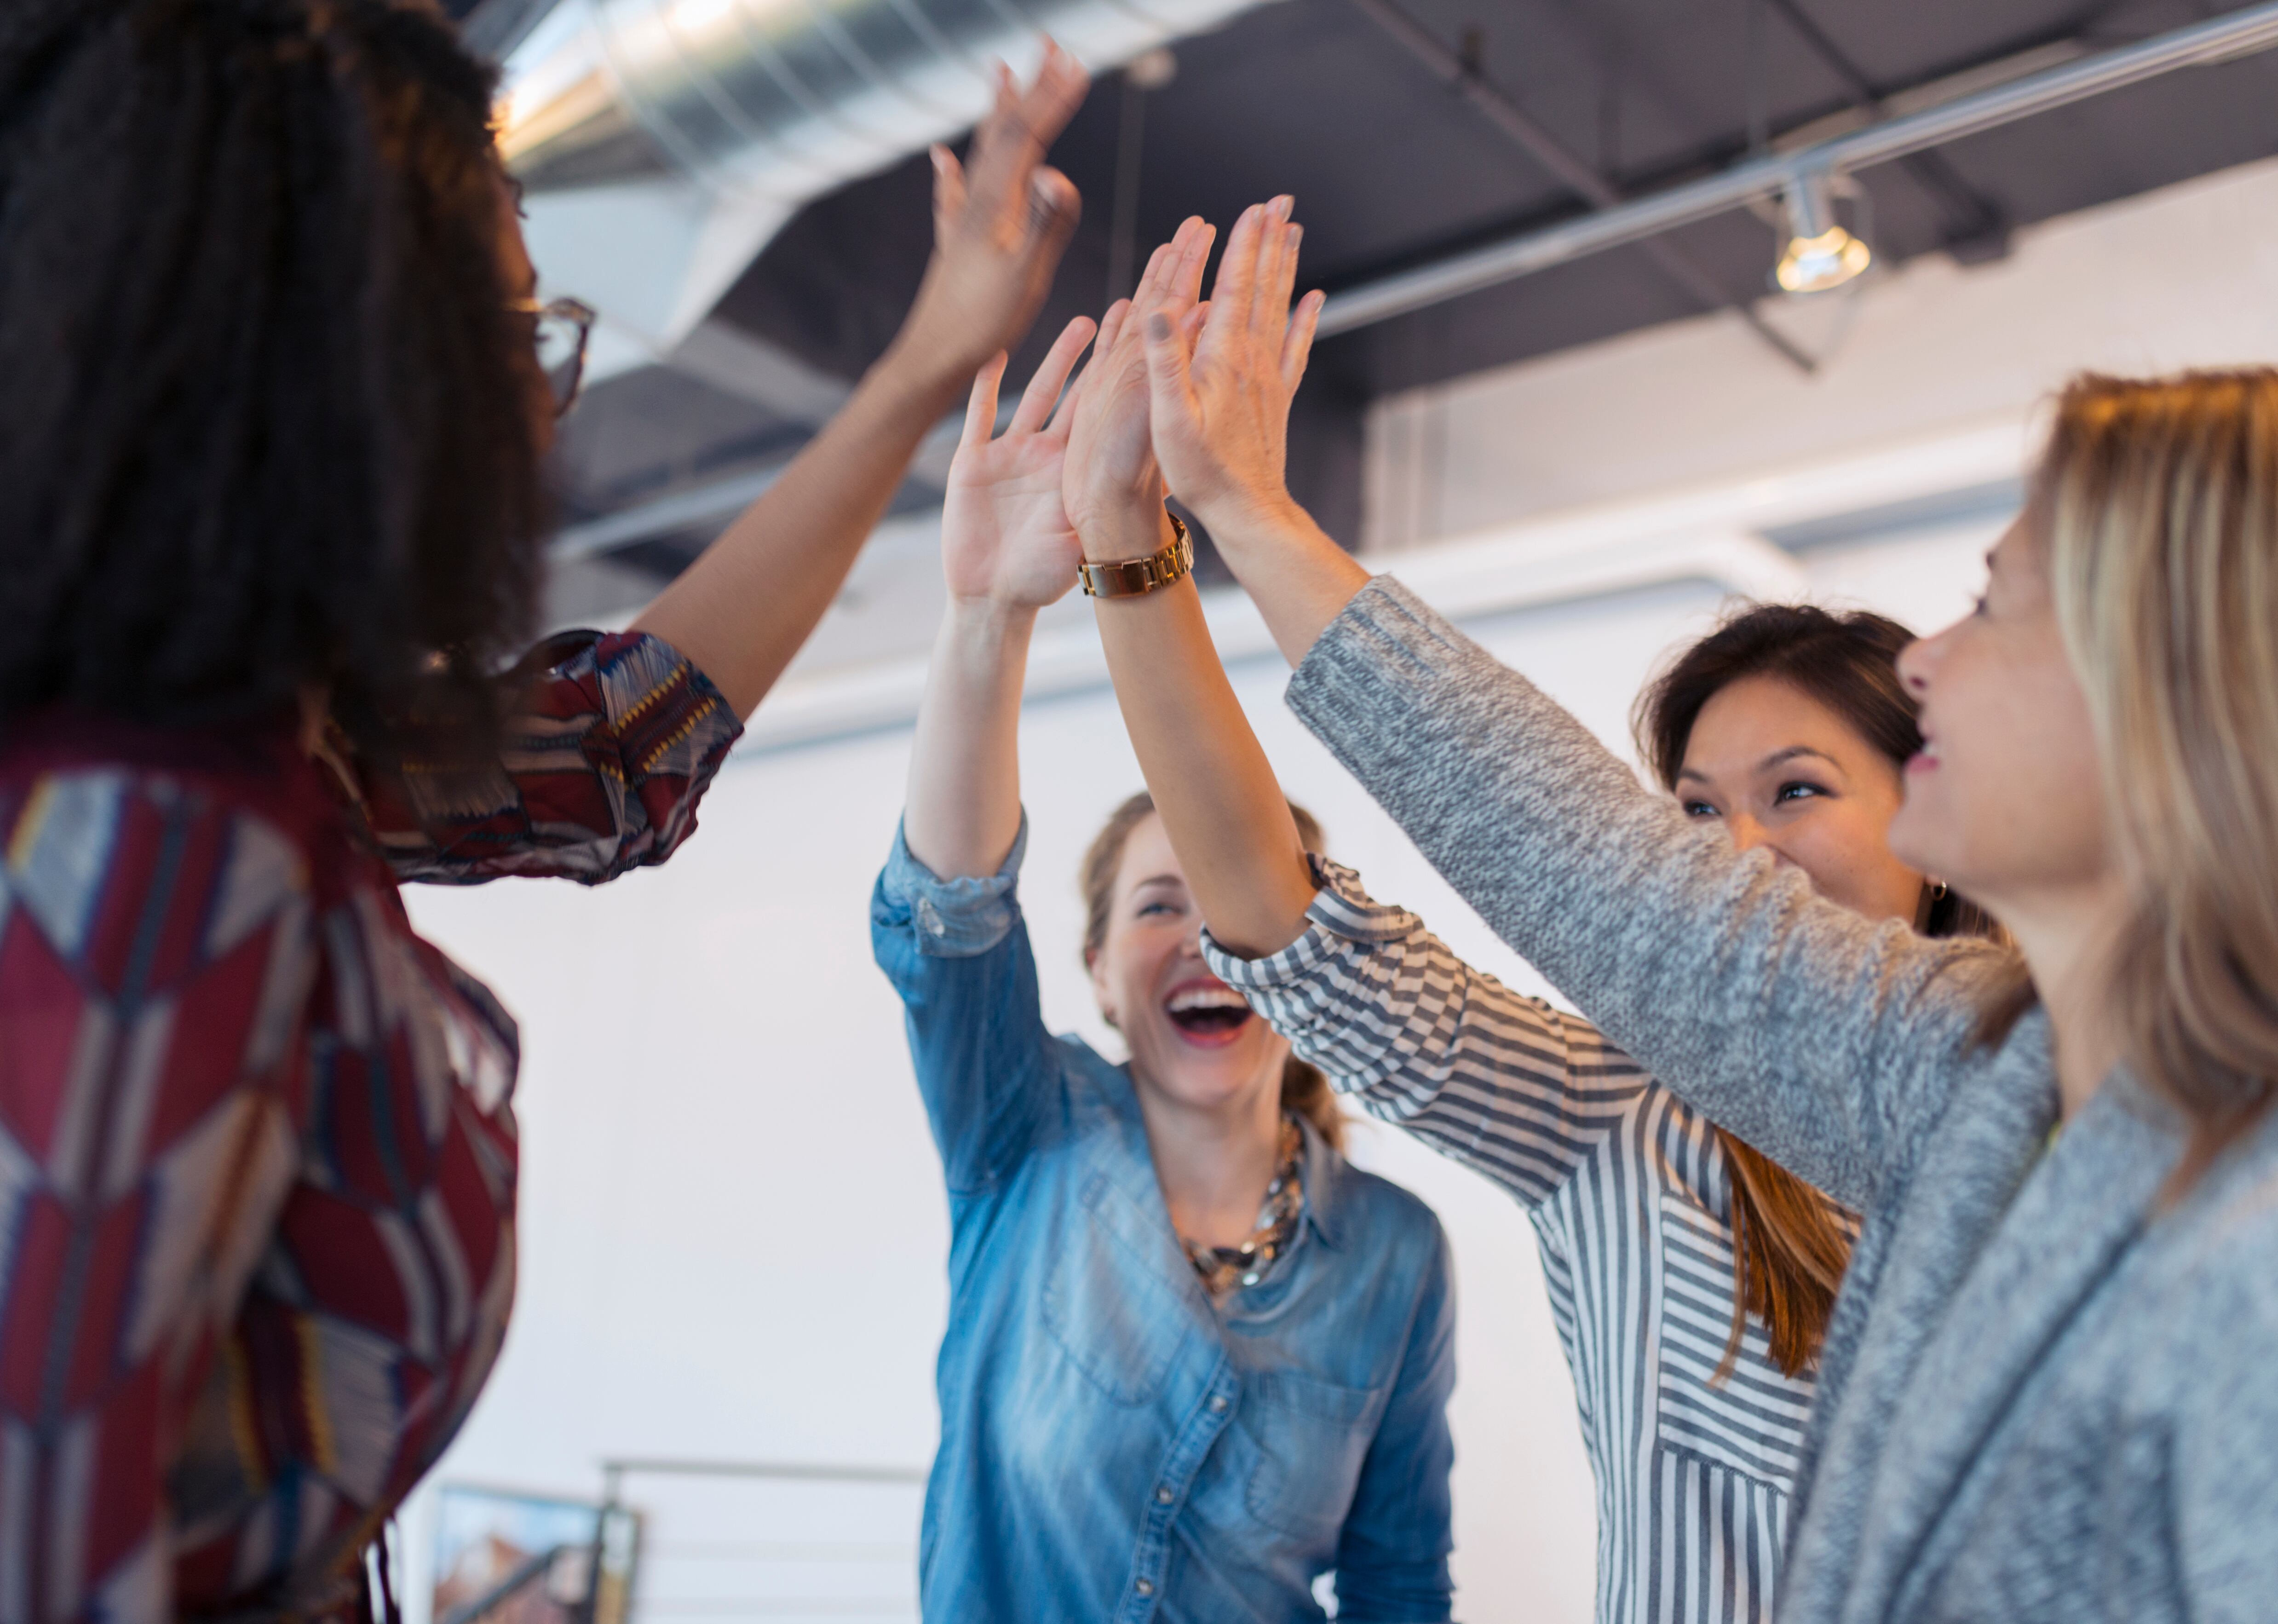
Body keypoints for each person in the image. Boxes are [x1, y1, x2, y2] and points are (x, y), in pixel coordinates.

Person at [0, 4, 1086, 1619]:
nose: (547, 404)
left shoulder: (267, 748)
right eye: (506, 336)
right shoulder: (154, 835)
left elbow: (615, 748)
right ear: (328, 363)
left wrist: (932, 364)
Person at [1115, 197, 2278, 1622]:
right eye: (1694, 812)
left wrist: (1240, 515)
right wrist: (1194, 530)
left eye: (2001, 605)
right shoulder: (1957, 1078)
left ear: (2183, 686)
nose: (1933, 668)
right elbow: (1573, 866)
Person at [869, 292, 1455, 1621]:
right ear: (1090, 966)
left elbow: (1399, 1578)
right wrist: (984, 617)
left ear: (1306, 964)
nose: (1203, 937)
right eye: (1153, 906)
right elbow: (949, 916)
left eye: (1236, 906)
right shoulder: (1025, 1136)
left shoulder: (1396, 1254)